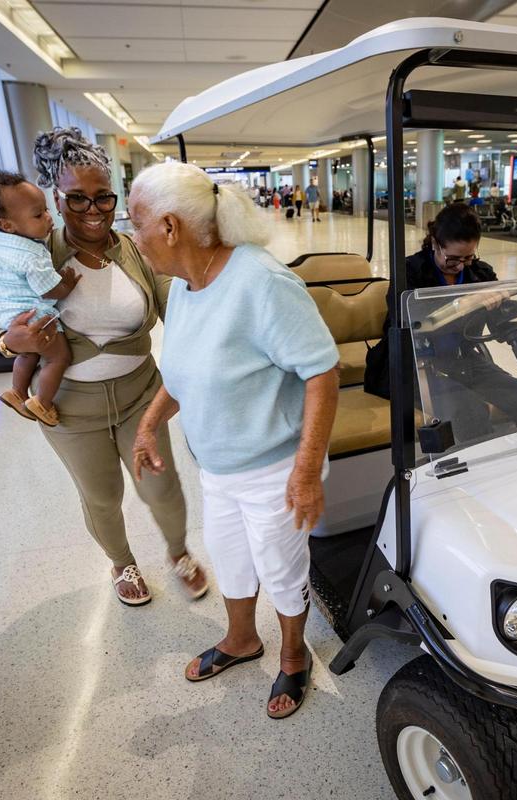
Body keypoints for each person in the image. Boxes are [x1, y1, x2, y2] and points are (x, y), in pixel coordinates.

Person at [128, 162, 339, 720]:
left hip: (274, 468)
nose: (133, 235)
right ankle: (242, 639)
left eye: (137, 221)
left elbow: (322, 373)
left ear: (170, 227)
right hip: (217, 467)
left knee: (281, 567)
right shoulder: (184, 288)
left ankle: (294, 655)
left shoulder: (261, 283)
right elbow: (182, 374)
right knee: (231, 558)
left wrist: (306, 471)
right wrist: (150, 423)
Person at [0, 127, 208, 607]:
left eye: (103, 198)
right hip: (68, 409)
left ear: (116, 197)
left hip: (140, 398)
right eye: (77, 199)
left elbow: (176, 298)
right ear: (56, 199)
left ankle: (178, 551)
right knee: (102, 495)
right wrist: (6, 339)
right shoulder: (35, 252)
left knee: (162, 487)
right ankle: (121, 561)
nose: (93, 211)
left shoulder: (137, 249)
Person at [364, 203, 517, 442]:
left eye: (468, 257)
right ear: (435, 243)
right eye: (453, 259)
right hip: (415, 364)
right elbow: (411, 321)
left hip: (464, 361)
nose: (461, 265)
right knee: (468, 410)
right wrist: (467, 303)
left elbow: (502, 324)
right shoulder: (409, 271)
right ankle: (477, 474)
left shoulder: (480, 273)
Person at [0, 171, 78, 426]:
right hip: (34, 316)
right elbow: (49, 290)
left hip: (8, 311)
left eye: (46, 210)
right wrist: (67, 284)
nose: (48, 218)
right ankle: (42, 401)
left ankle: (17, 391)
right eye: (38, 214)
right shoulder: (32, 253)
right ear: (7, 224)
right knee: (58, 357)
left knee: (29, 354)